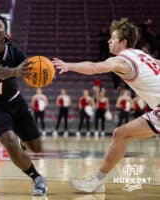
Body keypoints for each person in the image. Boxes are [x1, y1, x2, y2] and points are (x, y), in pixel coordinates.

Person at [53, 18, 160, 193]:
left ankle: (96, 182)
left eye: (113, 38)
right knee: (120, 134)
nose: (109, 41)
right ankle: (97, 181)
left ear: (123, 42)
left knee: (120, 135)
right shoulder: (142, 55)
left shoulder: (121, 61)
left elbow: (94, 67)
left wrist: (69, 66)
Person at [0, 9, 47, 196]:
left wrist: (38, 72)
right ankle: (37, 178)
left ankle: (23, 140)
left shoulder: (15, 52)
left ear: (6, 33)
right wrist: (16, 71)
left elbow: (30, 68)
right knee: (9, 141)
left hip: (16, 102)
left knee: (37, 148)